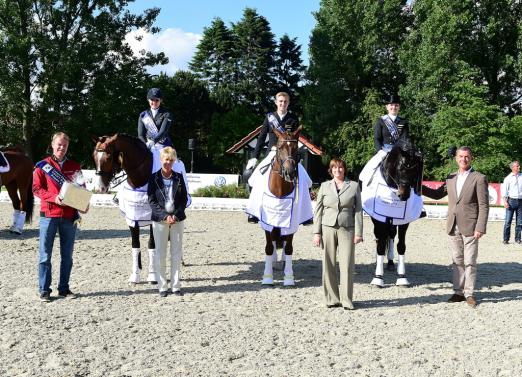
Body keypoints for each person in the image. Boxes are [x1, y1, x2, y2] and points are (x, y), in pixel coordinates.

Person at [422, 146, 489, 308]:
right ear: (456, 158)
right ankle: (458, 292)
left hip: (471, 226)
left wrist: (480, 227)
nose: (463, 159)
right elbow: (437, 195)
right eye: (460, 156)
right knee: (457, 260)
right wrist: (418, 185)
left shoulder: (479, 178)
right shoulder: (450, 177)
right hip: (453, 224)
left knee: (470, 261)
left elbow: (484, 205)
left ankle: (469, 293)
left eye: (466, 156)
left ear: (471, 158)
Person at [33, 132, 88, 302]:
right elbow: (36, 189)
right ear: (52, 145)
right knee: (45, 255)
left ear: (67, 147)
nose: (61, 148)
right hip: (48, 215)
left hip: (69, 216)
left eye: (64, 145)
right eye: (59, 144)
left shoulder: (75, 166)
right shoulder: (42, 165)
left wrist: (84, 203)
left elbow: (82, 189)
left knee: (67, 256)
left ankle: (64, 289)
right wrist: (53, 197)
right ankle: (44, 290)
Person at [313, 158, 363, 310]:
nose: (338, 170)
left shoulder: (354, 186)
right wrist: (317, 232)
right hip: (327, 227)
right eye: (334, 168)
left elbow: (358, 210)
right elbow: (318, 211)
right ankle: (332, 299)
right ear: (331, 170)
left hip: (347, 228)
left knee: (347, 264)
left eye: (340, 168)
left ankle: (347, 300)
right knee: (328, 264)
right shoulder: (324, 186)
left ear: (344, 169)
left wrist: (359, 233)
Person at [245, 91, 300, 223]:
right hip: (272, 152)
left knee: (305, 180)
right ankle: (253, 212)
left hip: (288, 155)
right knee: (254, 178)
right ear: (276, 102)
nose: (283, 104)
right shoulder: (269, 118)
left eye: (285, 101)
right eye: (280, 101)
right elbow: (261, 138)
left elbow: (296, 140)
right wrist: (254, 157)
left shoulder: (293, 119)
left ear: (288, 103)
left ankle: (302, 211)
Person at [372, 94, 411, 267]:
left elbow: (406, 139)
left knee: (413, 170)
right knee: (367, 171)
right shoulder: (381, 121)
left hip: (400, 153)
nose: (393, 107)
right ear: (387, 107)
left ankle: (418, 201)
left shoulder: (404, 121)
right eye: (391, 105)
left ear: (398, 107)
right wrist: (381, 151)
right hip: (384, 151)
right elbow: (377, 138)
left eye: (396, 105)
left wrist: (403, 151)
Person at [147, 147, 188, 297]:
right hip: (160, 220)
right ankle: (162, 286)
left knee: (176, 253)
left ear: (174, 161)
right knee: (160, 253)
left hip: (177, 220)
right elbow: (151, 200)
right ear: (161, 160)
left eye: (171, 160)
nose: (168, 162)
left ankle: (176, 286)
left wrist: (176, 215)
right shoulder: (153, 178)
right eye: (166, 159)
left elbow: (184, 199)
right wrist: (165, 216)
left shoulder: (178, 177)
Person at [137, 87, 173, 173]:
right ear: (148, 100)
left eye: (157, 100)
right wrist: (145, 144)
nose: (154, 102)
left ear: (161, 100)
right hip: (147, 144)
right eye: (152, 100)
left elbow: (163, 132)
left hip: (163, 145)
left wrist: (153, 141)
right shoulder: (143, 115)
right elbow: (141, 134)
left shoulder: (167, 114)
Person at [501, 160, 521, 244]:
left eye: (519, 166)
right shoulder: (508, 178)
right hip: (511, 201)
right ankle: (506, 239)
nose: (519, 167)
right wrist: (505, 202)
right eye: (517, 166)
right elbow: (504, 191)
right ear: (513, 168)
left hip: (521, 201)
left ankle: (518, 239)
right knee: (508, 221)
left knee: (520, 222)